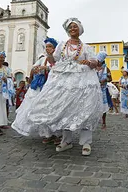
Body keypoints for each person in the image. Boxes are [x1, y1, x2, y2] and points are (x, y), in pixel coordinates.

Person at [27, 18, 103, 156]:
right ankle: (66, 141)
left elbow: (95, 64)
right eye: (70, 27)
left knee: (85, 109)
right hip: (64, 79)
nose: (72, 29)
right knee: (66, 109)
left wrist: (89, 62)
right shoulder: (62, 45)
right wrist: (49, 54)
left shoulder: (86, 47)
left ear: (80, 29)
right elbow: (53, 61)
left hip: (83, 81)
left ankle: (86, 142)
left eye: (75, 27)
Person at [12, 37, 60, 145]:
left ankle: (57, 134)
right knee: (41, 110)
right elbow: (33, 69)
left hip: (52, 88)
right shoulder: (42, 59)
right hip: (40, 87)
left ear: (55, 48)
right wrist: (37, 69)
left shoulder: (57, 58)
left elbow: (59, 69)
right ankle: (47, 134)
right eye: (46, 46)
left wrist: (47, 69)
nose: (48, 48)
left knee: (52, 110)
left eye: (50, 47)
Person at [96, 52, 112, 129]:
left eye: (98, 60)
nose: (97, 61)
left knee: (103, 107)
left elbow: (110, 79)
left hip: (102, 90)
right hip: (94, 90)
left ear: (102, 60)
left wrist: (105, 80)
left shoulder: (106, 69)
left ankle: (104, 122)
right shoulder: (93, 68)